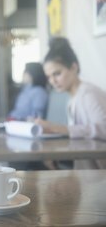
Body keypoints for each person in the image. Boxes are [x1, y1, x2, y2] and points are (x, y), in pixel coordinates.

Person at [34, 37, 106, 169]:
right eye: (49, 76)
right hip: (85, 174)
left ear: (74, 67)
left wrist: (61, 128)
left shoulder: (88, 94)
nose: (53, 81)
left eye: (57, 73)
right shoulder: (73, 98)